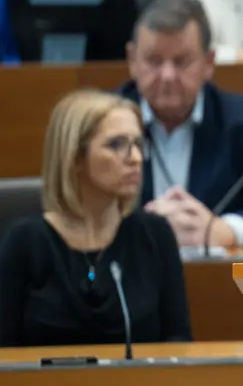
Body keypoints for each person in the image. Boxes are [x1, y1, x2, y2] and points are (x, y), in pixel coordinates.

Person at [0, 89, 191, 347]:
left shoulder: (154, 234)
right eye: (116, 145)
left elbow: (178, 342)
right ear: (75, 157)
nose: (134, 158)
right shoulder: (25, 243)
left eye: (137, 144)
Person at [120, 0, 243, 249]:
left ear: (208, 63)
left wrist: (222, 232)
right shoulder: (104, 122)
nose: (167, 75)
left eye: (181, 62)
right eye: (154, 61)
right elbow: (76, 205)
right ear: (132, 60)